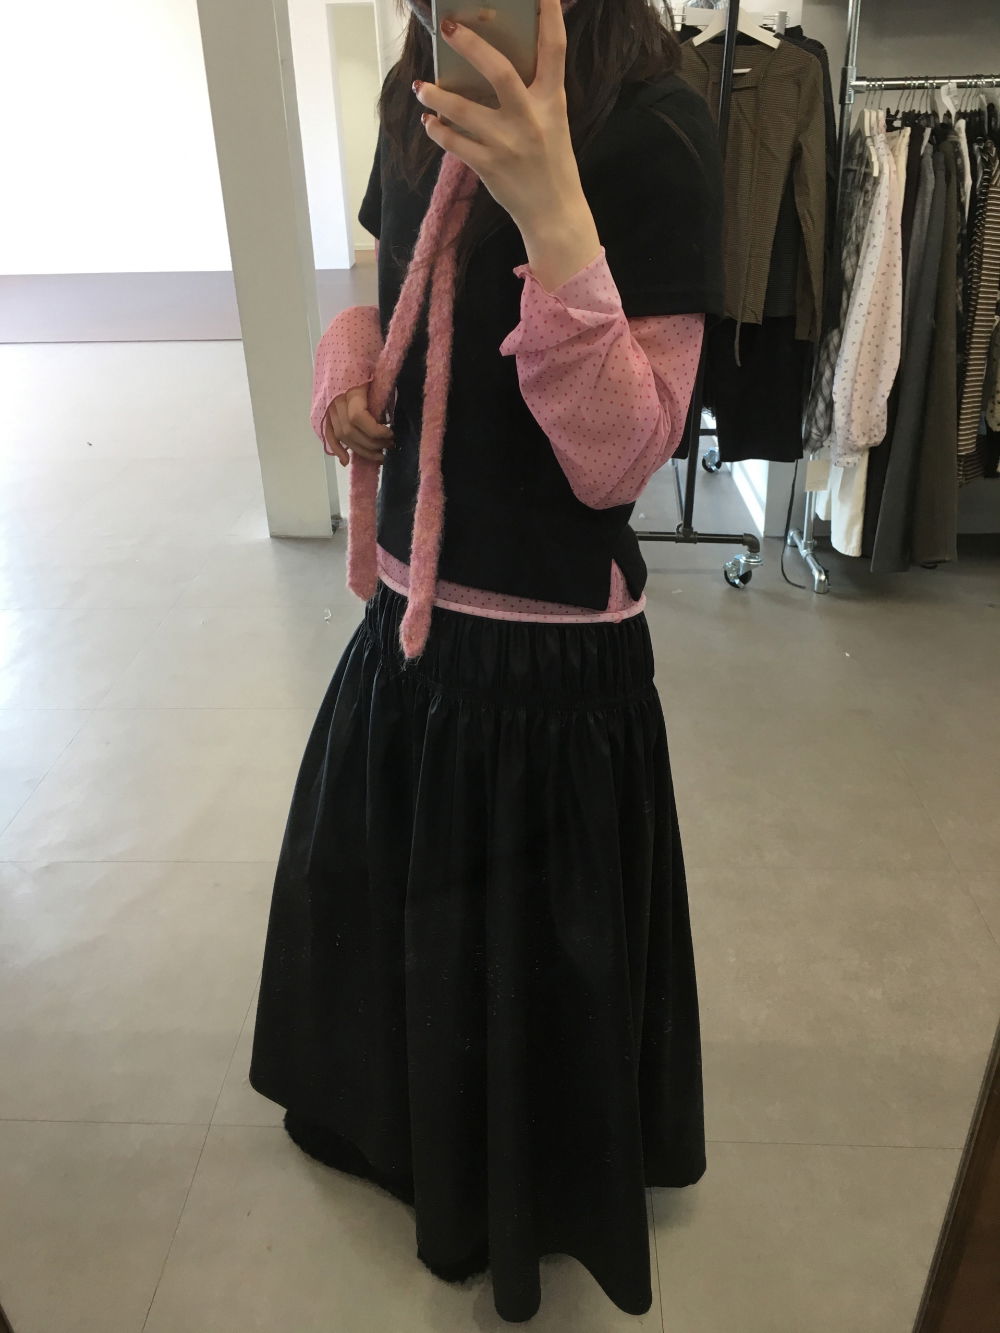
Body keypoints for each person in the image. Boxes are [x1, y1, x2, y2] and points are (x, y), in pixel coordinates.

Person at [249, 0, 724, 1321]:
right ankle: (409, 1132)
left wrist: (553, 208)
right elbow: (389, 287)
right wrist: (352, 367)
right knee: (404, 918)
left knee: (520, 967)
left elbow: (621, 458)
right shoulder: (421, 82)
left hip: (550, 662)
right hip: (409, 620)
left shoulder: (658, 127)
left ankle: (511, 1179)